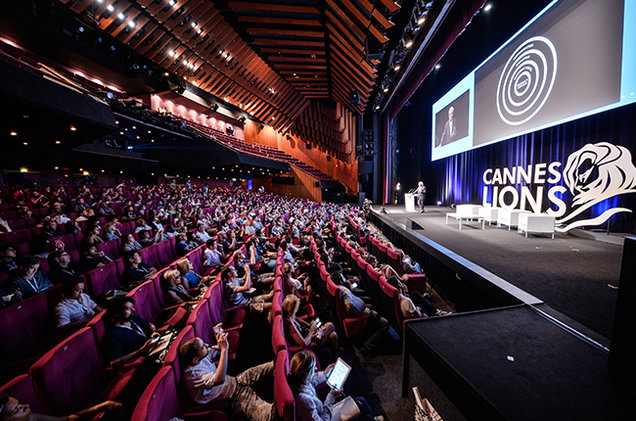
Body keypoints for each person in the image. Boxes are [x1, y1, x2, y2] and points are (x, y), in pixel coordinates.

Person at [179, 335, 275, 421]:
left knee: (275, 366)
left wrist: (219, 342)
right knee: (272, 416)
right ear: (195, 360)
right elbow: (219, 379)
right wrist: (225, 349)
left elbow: (217, 352)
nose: (207, 345)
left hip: (237, 381)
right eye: (203, 346)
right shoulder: (192, 374)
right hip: (233, 398)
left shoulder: (201, 356)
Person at [287, 351, 376, 421]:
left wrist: (325, 374)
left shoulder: (300, 381)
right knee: (362, 406)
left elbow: (312, 380)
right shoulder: (304, 400)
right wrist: (331, 396)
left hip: (323, 411)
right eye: (313, 368)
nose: (316, 369)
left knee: (361, 402)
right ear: (306, 373)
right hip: (325, 416)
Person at [104, 296, 159, 367]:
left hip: (151, 350)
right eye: (128, 309)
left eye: (132, 307)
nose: (133, 310)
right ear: (117, 314)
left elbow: (150, 325)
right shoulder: (113, 334)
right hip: (139, 362)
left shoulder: (133, 318)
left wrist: (153, 332)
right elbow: (114, 362)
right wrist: (141, 350)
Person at [0, 393, 122, 421]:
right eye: (17, 409)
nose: (26, 406)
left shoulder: (31, 418)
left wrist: (103, 405)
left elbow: (67, 420)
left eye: (20, 404)